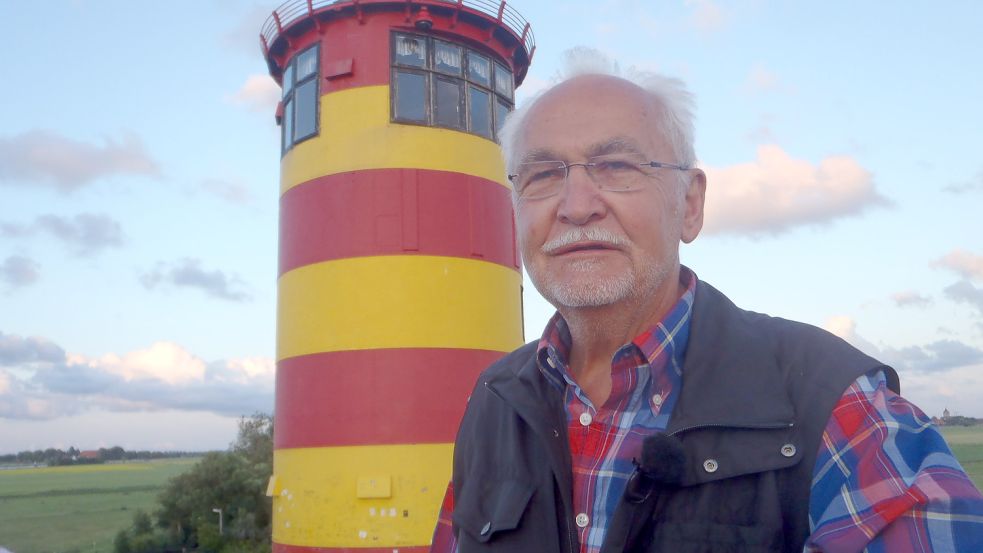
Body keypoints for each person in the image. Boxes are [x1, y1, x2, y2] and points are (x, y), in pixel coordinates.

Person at [431, 49, 983, 553]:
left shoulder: (833, 403)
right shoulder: (493, 402)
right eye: (544, 174)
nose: (577, 205)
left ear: (690, 205)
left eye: (617, 167)